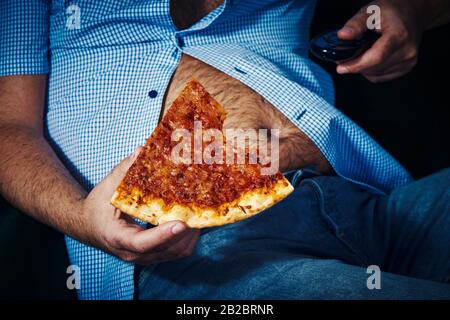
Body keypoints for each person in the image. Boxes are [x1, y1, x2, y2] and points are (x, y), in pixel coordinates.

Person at [0, 0, 448, 299]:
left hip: (374, 202)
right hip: (200, 252)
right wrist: (80, 218)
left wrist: (410, 10)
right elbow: (9, 126)